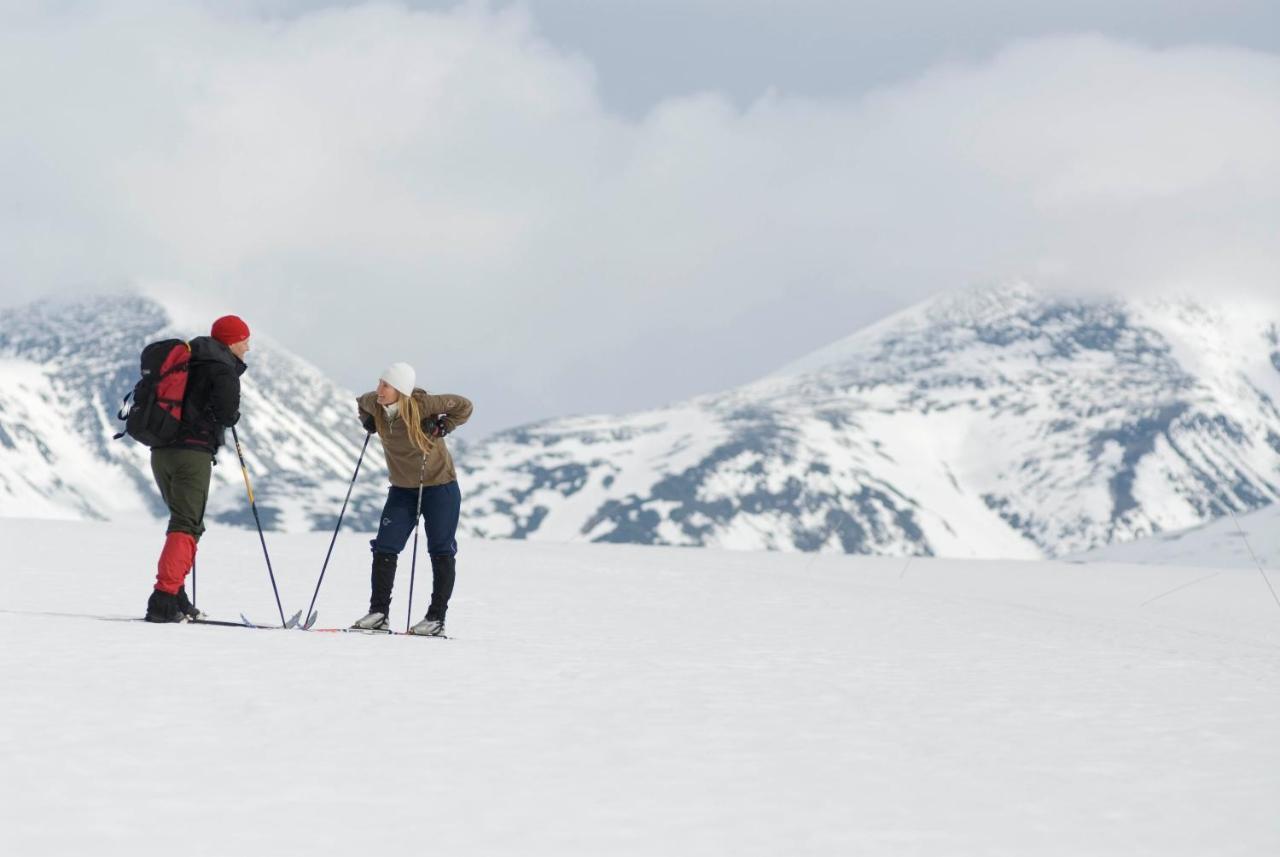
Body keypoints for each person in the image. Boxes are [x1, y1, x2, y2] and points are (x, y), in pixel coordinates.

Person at [144, 315, 251, 623]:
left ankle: (176, 596)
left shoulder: (188, 358)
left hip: (161, 451)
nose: (248, 347)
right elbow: (228, 414)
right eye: (245, 340)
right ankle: (163, 600)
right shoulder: (222, 369)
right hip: (191, 453)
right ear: (231, 341)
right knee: (186, 525)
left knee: (185, 523)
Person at [352, 363, 472, 635]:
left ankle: (436, 618)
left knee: (441, 550)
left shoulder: (425, 405)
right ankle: (379, 613)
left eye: (386, 385)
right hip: (403, 489)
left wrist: (444, 425)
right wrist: (367, 420)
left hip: (440, 487)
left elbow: (464, 406)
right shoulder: (374, 401)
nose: (379, 389)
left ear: (401, 390)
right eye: (380, 382)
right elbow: (361, 403)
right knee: (385, 547)